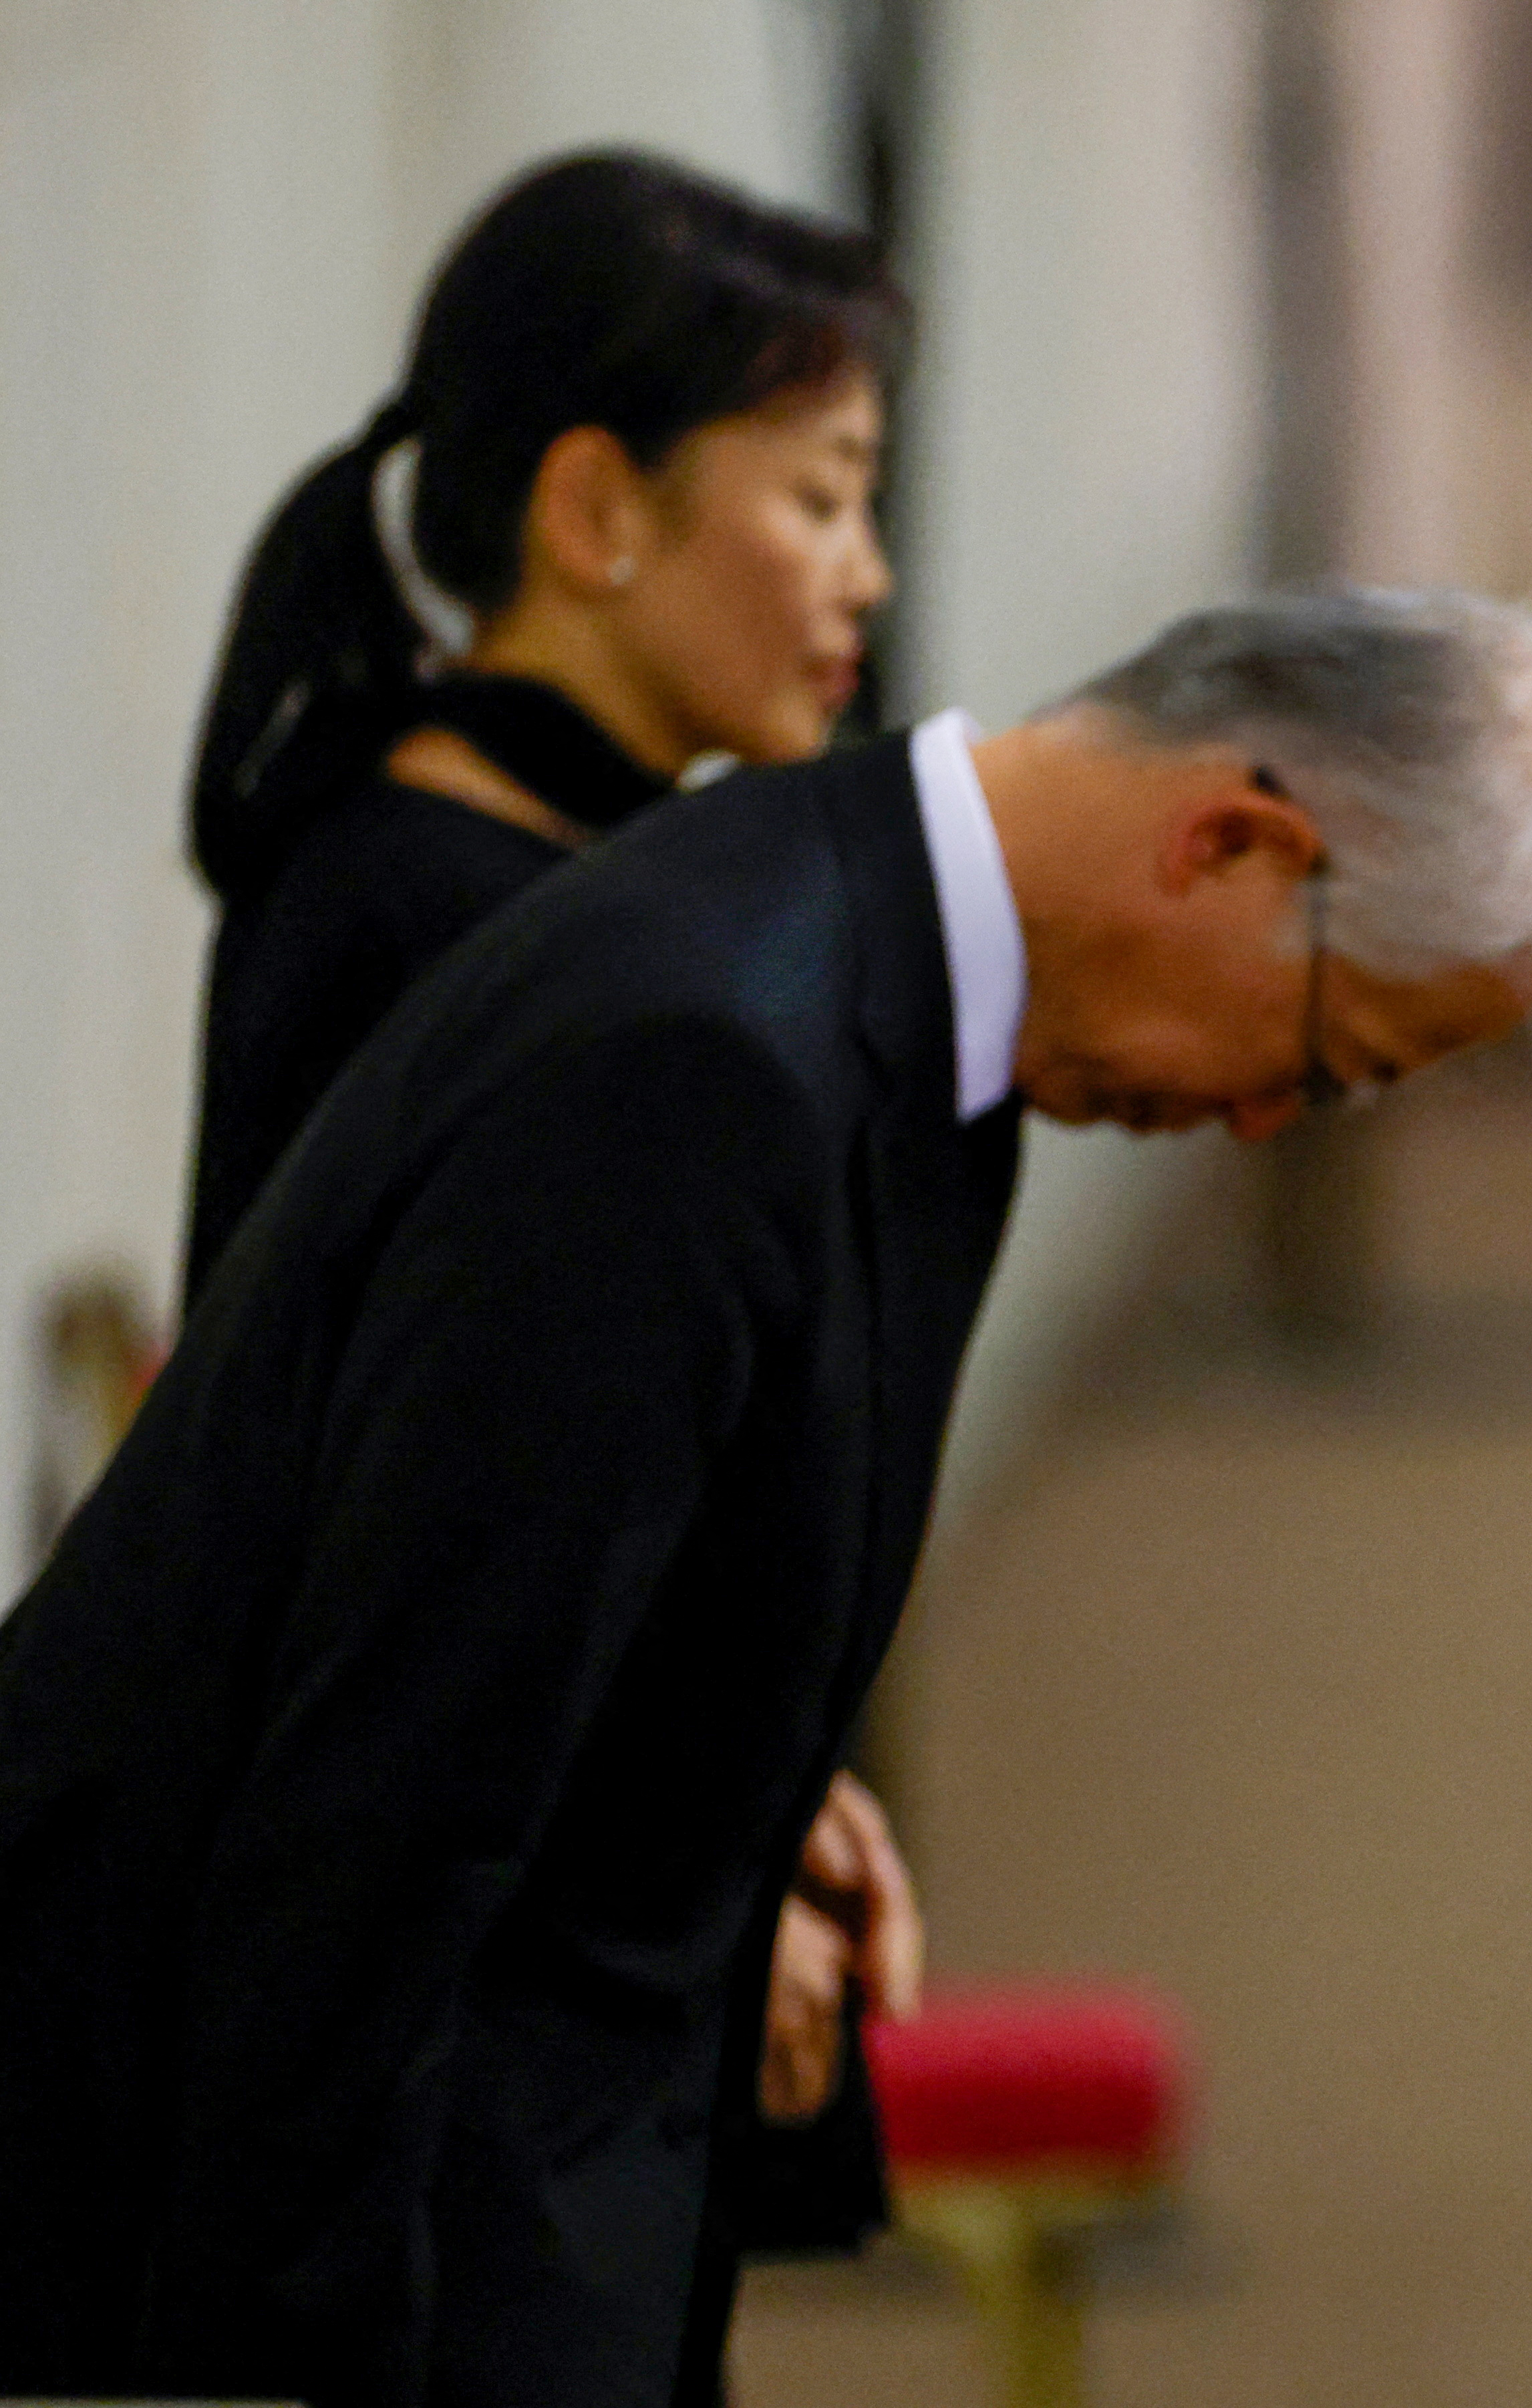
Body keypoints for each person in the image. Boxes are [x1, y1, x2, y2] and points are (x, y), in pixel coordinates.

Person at [0, 588, 1532, 2407]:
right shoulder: (700, 1052)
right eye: (1322, 1059)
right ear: (1234, 844)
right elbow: (374, 1825)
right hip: (268, 2221)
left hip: (538, 2168)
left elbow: (556, 1569)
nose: (1269, 1124)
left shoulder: (893, 981)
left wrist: (743, 1780)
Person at [171, 145, 930, 2308]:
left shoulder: (528, 883)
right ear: (596, 514)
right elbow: (443, 1555)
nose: (863, 575)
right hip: (449, 1975)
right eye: (817, 497)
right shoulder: (439, 917)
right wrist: (702, 1849)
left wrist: (769, 1784)